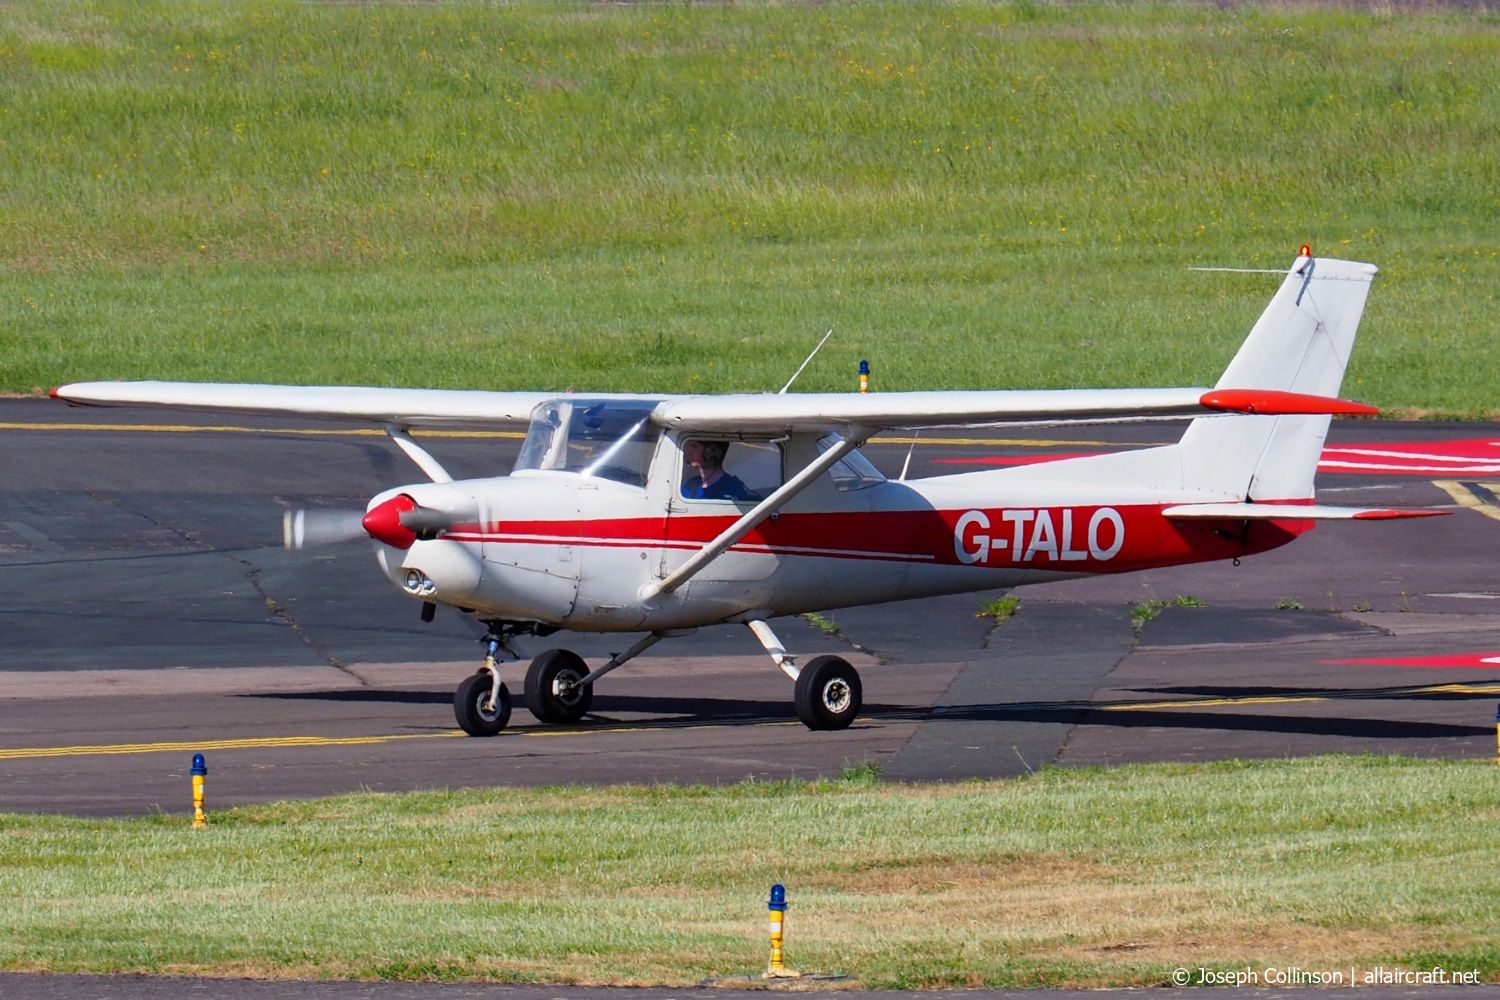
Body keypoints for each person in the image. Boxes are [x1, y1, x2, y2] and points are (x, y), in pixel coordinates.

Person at [682, 439, 754, 500]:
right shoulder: (689, 485)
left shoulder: (734, 490)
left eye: (695, 446)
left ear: (712, 452)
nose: (689, 452)